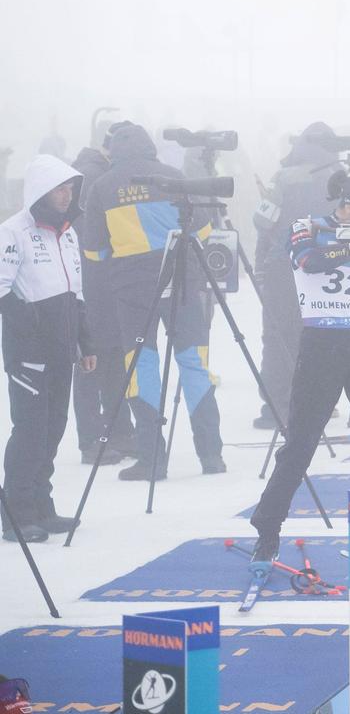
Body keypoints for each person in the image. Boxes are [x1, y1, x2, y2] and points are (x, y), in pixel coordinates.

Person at [249, 170, 350, 563]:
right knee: (300, 446)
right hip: (321, 344)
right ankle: (267, 532)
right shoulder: (306, 227)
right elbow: (310, 263)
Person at [78, 122, 224, 481]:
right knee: (193, 364)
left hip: (133, 293)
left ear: (113, 152)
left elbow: (94, 251)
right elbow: (204, 230)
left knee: (142, 368)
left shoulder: (102, 187)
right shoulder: (173, 175)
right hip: (184, 283)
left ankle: (152, 459)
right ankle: (211, 455)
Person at [1, 155, 88, 542]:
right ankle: (16, 514)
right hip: (28, 352)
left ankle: (42, 506)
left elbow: (77, 292)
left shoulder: (68, 231)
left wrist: (86, 341)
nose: (67, 195)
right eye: (59, 188)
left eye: (70, 187)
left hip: (62, 348)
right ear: (40, 191)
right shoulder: (13, 232)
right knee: (31, 430)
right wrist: (29, 328)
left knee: (54, 428)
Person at [251, 124, 344, 429]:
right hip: (328, 265)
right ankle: (322, 402)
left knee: (279, 335)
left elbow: (263, 220)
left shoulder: (286, 177)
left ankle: (276, 406)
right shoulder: (342, 175)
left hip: (285, 265)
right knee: (320, 336)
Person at [66, 145, 133, 464]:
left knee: (89, 362)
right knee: (109, 362)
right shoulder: (102, 180)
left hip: (79, 288)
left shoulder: (71, 180)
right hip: (104, 284)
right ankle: (114, 434)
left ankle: (93, 439)